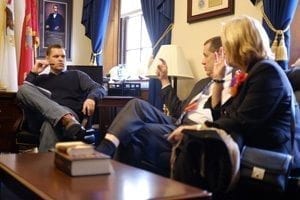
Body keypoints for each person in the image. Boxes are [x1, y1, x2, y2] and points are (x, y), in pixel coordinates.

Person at [168, 15, 300, 193]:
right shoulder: (251, 73)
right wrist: (219, 79)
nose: (224, 49)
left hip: (269, 155)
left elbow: (240, 122)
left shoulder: (267, 71)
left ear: (239, 43)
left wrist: (195, 129)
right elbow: (223, 115)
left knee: (194, 141)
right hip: (247, 144)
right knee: (194, 142)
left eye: (226, 43)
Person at [96, 36, 233, 174]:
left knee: (133, 131)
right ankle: (106, 147)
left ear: (219, 55)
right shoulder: (202, 83)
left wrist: (219, 79)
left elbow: (223, 118)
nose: (202, 61)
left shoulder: (232, 84)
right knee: (136, 104)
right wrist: (164, 79)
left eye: (205, 55)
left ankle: (112, 174)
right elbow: (178, 110)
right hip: (178, 121)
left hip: (195, 129)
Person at [17, 44, 107, 152]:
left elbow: (99, 88)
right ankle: (65, 119)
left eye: (63, 56)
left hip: (70, 115)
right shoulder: (40, 79)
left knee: (50, 124)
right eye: (56, 56)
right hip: (46, 118)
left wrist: (91, 98)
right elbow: (23, 96)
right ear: (47, 59)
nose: (60, 59)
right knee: (23, 89)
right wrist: (33, 73)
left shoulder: (77, 75)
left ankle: (45, 167)